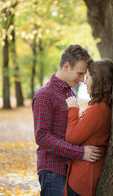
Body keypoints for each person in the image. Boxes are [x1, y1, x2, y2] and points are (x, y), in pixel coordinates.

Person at [32, 45, 103, 196]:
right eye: (79, 73)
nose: (82, 79)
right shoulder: (45, 94)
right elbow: (42, 137)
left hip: (69, 167)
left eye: (85, 75)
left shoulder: (69, 92)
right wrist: (80, 152)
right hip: (52, 170)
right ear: (66, 66)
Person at [64, 59, 113, 196]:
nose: (85, 82)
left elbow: (71, 138)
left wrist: (73, 110)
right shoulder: (101, 105)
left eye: (88, 77)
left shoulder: (98, 109)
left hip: (84, 178)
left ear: (99, 80)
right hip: (86, 173)